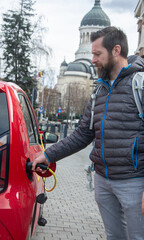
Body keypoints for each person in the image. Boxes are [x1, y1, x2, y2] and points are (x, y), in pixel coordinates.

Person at [32, 26, 144, 240]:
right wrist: (48, 155)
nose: (92, 60)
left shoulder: (140, 84)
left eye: (97, 54)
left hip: (134, 182)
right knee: (113, 235)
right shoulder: (100, 89)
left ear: (116, 50)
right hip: (103, 180)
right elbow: (84, 133)